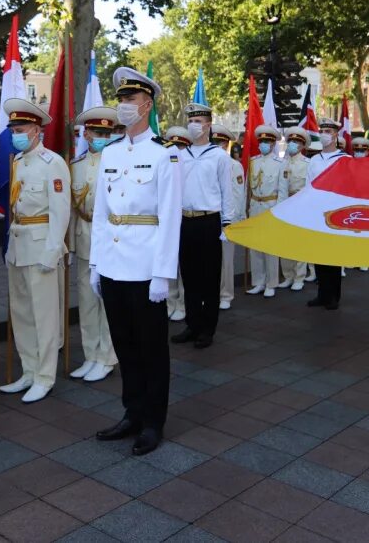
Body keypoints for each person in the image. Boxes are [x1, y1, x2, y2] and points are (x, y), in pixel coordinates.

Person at [90, 67, 181, 456]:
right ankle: (131, 412)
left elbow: (170, 216)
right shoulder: (110, 153)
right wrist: (96, 264)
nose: (123, 106)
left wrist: (163, 273)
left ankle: (152, 422)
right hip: (112, 264)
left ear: (147, 104)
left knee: (151, 349)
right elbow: (100, 213)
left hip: (146, 269)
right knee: (125, 346)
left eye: (130, 100)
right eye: (121, 100)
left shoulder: (165, 155)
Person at [0, 99, 70, 403]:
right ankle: (29, 370)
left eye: (22, 128)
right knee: (23, 314)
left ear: (37, 130)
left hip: (41, 246)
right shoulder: (18, 162)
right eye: (13, 128)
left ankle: (45, 376)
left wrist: (52, 251)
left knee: (44, 316)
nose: (17, 133)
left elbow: (60, 211)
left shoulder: (51, 163)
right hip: (19, 244)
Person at [171, 103, 234, 348]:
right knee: (189, 276)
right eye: (191, 120)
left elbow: (226, 191)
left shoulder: (218, 155)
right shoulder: (180, 155)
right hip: (185, 220)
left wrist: (226, 223)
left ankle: (207, 328)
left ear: (209, 124)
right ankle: (192, 323)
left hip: (209, 220)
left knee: (209, 277)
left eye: (198, 121)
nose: (194, 125)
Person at [68, 106, 119, 382]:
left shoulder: (116, 163)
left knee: (107, 302)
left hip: (109, 239)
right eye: (97, 132)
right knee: (87, 301)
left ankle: (107, 356)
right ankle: (91, 355)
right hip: (85, 237)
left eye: (106, 133)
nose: (102, 137)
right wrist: (70, 245)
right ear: (85, 134)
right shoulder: (74, 166)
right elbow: (75, 210)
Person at [306, 118, 351, 310]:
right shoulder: (314, 160)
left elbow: (351, 187)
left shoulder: (345, 160)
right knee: (319, 254)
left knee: (334, 255)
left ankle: (334, 296)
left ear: (335, 135)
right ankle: (322, 294)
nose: (324, 133)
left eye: (328, 131)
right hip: (317, 211)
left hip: (336, 213)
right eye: (322, 130)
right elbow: (308, 186)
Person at [212, 124, 246, 310]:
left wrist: (234, 219)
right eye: (215, 141)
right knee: (210, 259)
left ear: (227, 144)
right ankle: (211, 293)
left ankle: (226, 294)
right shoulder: (207, 162)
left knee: (226, 260)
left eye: (221, 142)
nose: (218, 145)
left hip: (227, 218)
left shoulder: (235, 165)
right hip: (208, 217)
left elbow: (237, 193)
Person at [247, 126, 282, 297]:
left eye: (267, 141)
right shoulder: (253, 161)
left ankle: (271, 283)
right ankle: (258, 281)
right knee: (255, 247)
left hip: (271, 206)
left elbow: (282, 190)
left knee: (270, 247)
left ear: (274, 143)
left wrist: (280, 211)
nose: (263, 144)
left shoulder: (280, 164)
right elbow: (248, 188)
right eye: (261, 141)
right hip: (255, 206)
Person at [276, 127, 310, 291]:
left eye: (296, 142)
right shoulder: (282, 163)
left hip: (301, 206)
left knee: (300, 243)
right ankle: (288, 275)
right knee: (284, 242)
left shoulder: (307, 164)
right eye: (290, 141)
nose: (292, 144)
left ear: (302, 146)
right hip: (285, 204)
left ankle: (299, 277)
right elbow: (281, 188)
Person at [163, 126, 191, 322]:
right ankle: (170, 302)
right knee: (168, 264)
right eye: (174, 146)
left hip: (187, 220)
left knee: (184, 266)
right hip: (167, 221)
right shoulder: (164, 164)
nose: (177, 150)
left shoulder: (191, 165)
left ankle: (182, 303)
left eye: (181, 146)